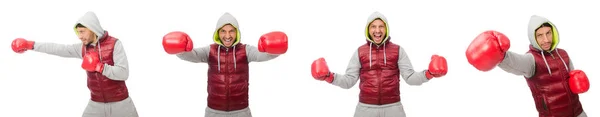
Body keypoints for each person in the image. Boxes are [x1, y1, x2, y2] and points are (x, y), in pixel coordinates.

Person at [310, 11, 448, 117]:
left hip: (393, 108)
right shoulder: (360, 51)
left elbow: (411, 78)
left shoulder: (398, 50)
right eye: (374, 27)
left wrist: (429, 74)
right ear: (368, 29)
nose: (377, 30)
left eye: (381, 26)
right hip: (365, 109)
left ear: (386, 29)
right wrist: (329, 77)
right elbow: (349, 81)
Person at [10, 11, 139, 117]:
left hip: (121, 103)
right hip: (96, 103)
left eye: (82, 31)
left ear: (92, 29)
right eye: (78, 32)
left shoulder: (115, 44)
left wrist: (98, 67)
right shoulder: (83, 48)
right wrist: (31, 45)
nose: (79, 36)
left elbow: (123, 73)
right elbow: (59, 49)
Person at [161, 12, 288, 117]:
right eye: (223, 31)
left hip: (241, 111)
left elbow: (263, 55)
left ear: (237, 32)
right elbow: (192, 55)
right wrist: (180, 49)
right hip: (214, 111)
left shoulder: (245, 50)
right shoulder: (210, 50)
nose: (227, 35)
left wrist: (275, 49)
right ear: (218, 33)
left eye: (231, 31)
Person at [466, 15, 590, 117]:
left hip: (578, 112)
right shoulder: (531, 60)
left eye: (548, 33)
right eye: (540, 35)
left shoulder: (563, 54)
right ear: (533, 38)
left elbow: (572, 79)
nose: (546, 40)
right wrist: (501, 55)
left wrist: (577, 81)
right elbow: (515, 62)